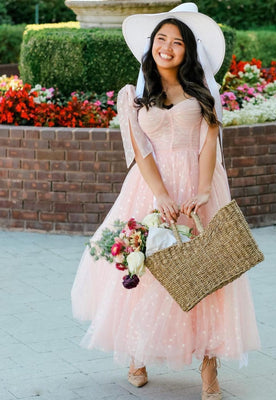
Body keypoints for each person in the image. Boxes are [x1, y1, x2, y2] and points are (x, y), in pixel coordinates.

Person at [71, 3, 260, 399]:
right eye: (161, 40)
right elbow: (142, 152)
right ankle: (137, 354)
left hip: (198, 188)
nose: (168, 48)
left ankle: (209, 372)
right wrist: (159, 195)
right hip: (149, 188)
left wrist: (204, 190)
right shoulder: (135, 96)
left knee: (209, 274)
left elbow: (210, 143)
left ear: (187, 51)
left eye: (177, 42)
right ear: (151, 45)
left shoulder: (203, 92)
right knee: (147, 270)